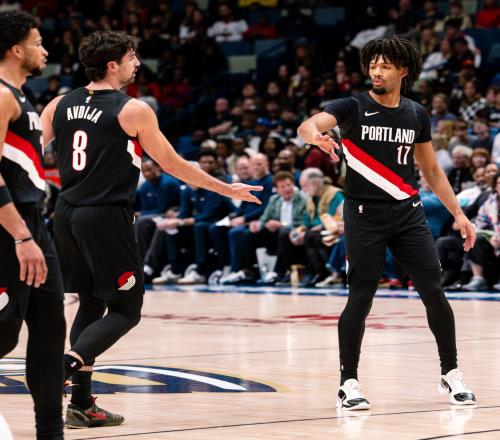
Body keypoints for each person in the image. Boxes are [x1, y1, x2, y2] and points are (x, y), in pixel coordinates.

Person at [40, 30, 262, 429]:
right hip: (105, 215)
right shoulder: (133, 109)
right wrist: (226, 188)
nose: (138, 63)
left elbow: (28, 149)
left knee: (91, 303)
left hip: (65, 213)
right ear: (113, 65)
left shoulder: (59, 103)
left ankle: (82, 404)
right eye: (132, 57)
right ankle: (63, 369)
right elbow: (172, 164)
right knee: (127, 310)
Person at [298, 37, 477, 410]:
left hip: (408, 212)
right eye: (373, 65)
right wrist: (313, 136)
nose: (376, 72)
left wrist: (459, 214)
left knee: (434, 292)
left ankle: (451, 372)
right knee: (361, 296)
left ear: (403, 71)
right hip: (364, 214)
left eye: (384, 66)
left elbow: (431, 169)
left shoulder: (416, 114)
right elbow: (310, 123)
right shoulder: (352, 106)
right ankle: (349, 381)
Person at [0, 10, 66, 440]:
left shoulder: (23, 98)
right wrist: (20, 235)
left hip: (35, 227)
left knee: (49, 331)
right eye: (38, 42)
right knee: (4, 333)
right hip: (10, 230)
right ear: (15, 49)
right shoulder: (1, 95)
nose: (45, 50)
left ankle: (50, 433)